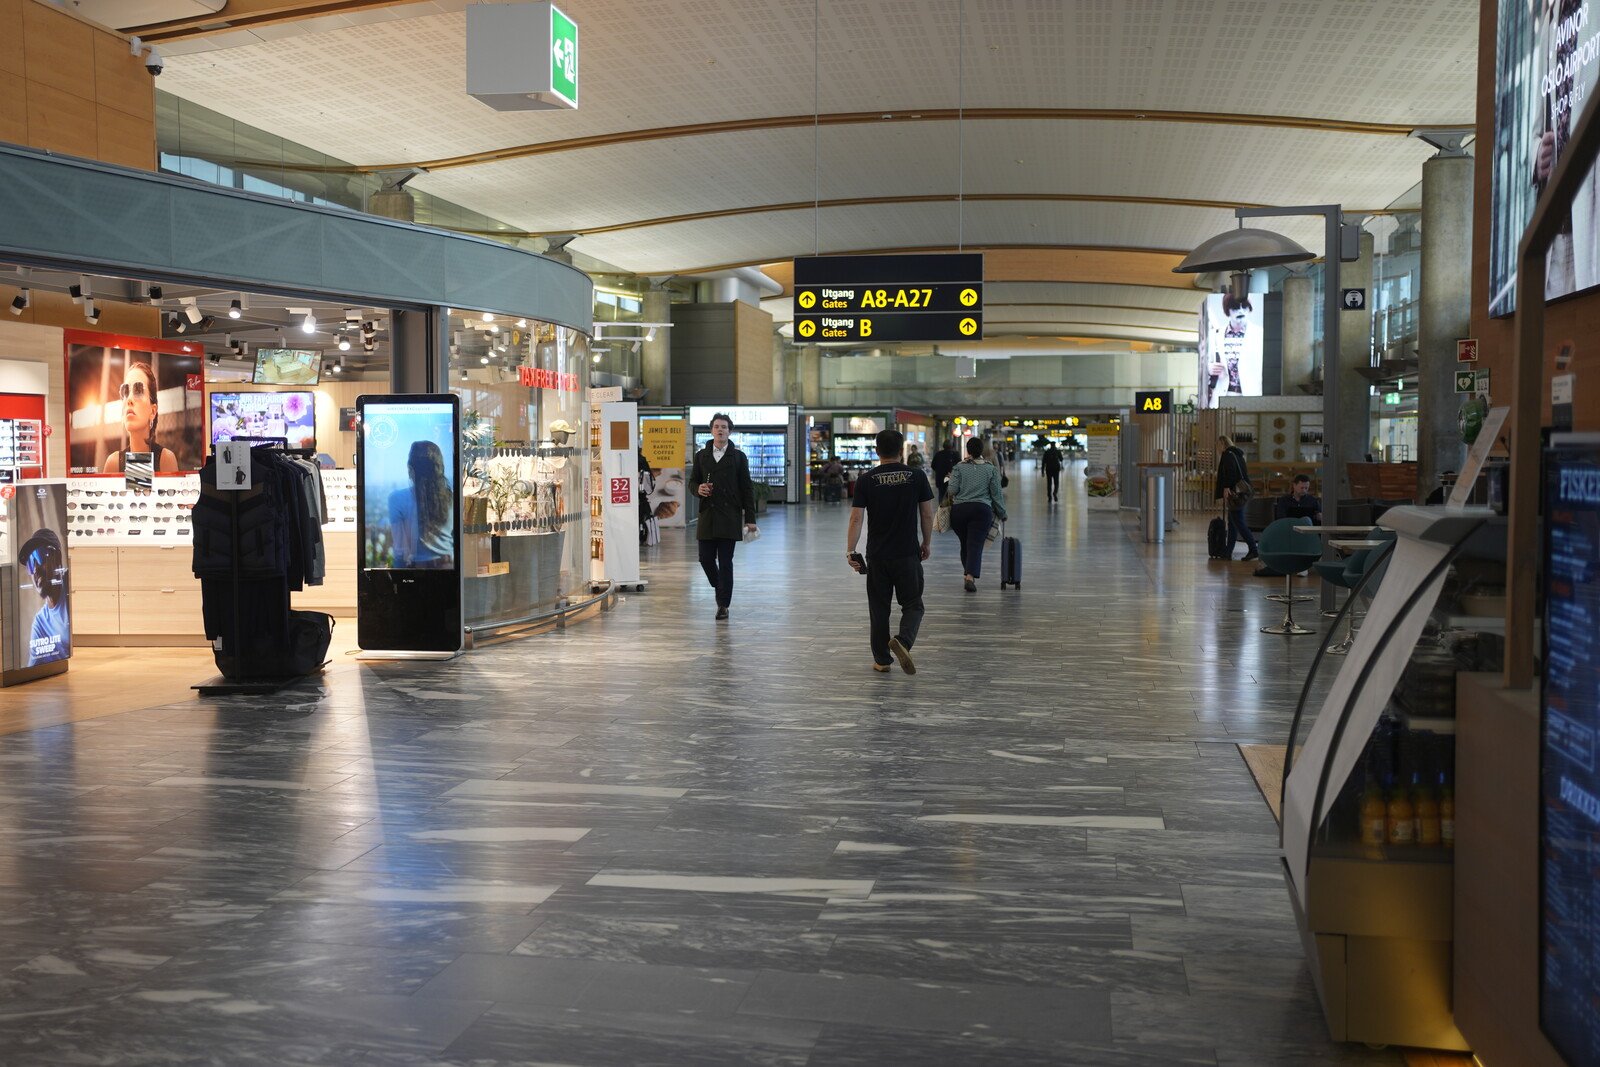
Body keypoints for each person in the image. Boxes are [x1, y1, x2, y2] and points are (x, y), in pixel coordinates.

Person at [847, 429, 934, 674]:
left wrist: (850, 550)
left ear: (877, 451)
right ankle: (903, 641)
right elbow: (927, 514)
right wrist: (926, 542)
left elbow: (856, 519)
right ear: (901, 451)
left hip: (878, 555)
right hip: (907, 553)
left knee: (879, 608)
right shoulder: (916, 476)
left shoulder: (866, 479)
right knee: (913, 605)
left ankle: (882, 661)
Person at [689, 412, 757, 620]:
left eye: (724, 427)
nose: (720, 430)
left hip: (729, 515)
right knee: (705, 558)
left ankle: (723, 605)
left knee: (726, 562)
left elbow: (747, 488)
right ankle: (720, 586)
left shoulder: (738, 457)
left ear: (730, 431)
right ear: (711, 430)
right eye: (717, 426)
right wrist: (698, 489)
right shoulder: (702, 456)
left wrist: (750, 519)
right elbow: (693, 482)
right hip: (708, 514)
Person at [945, 436, 1007, 592]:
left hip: (959, 511)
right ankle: (970, 577)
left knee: (965, 543)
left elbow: (951, 490)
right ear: (982, 452)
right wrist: (1002, 512)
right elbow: (996, 494)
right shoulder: (990, 469)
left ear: (968, 450)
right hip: (981, 510)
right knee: (975, 544)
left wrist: (952, 480)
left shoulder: (959, 467)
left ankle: (967, 573)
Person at [102, 360, 180, 474]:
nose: (129, 399)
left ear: (153, 411)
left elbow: (139, 490)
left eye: (138, 390)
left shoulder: (165, 460)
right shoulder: (113, 463)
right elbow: (138, 490)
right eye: (125, 391)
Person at [388, 440, 454, 568]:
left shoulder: (397, 499)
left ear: (410, 468)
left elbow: (400, 551)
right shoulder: (451, 498)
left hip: (416, 574)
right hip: (449, 570)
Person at [20, 529, 69, 667]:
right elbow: (33, 667)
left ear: (57, 557)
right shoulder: (40, 622)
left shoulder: (70, 591)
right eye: (30, 563)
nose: (35, 570)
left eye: (40, 556)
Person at [1214, 434, 1258, 562]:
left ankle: (1253, 549)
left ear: (1222, 444)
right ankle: (1228, 551)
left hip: (1235, 494)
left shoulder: (1227, 454)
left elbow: (1231, 472)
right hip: (1242, 493)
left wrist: (1226, 487)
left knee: (1239, 522)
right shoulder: (1238, 454)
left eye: (1218, 445)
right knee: (1232, 523)